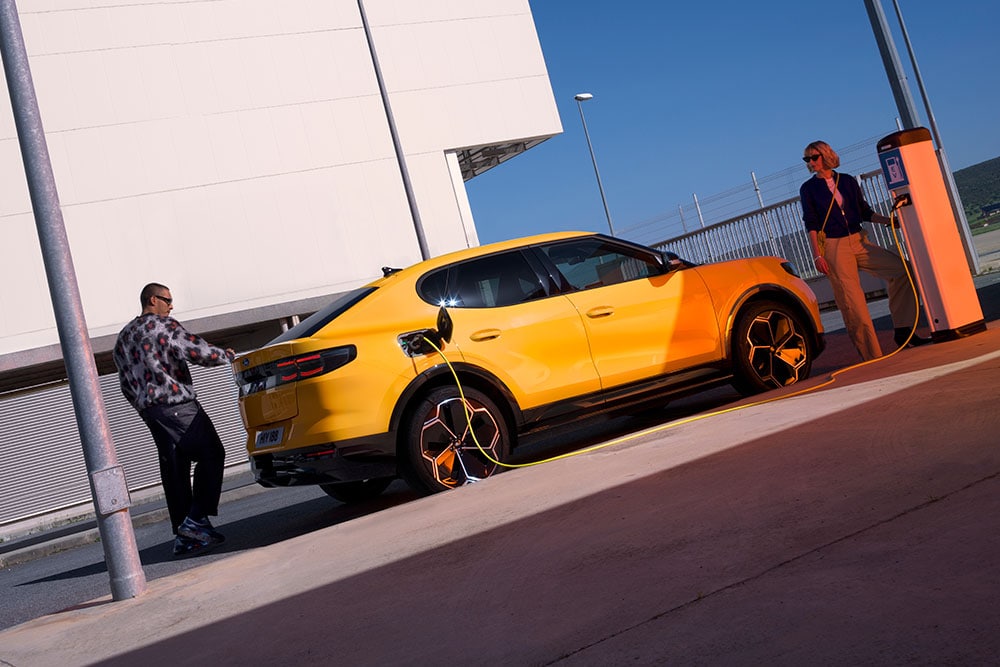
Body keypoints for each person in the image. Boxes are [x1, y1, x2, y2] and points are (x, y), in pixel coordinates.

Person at [113, 283, 235, 557]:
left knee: (175, 468)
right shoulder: (162, 326)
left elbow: (124, 384)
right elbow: (196, 351)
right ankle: (196, 519)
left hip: (151, 411)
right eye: (167, 300)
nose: (171, 306)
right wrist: (225, 356)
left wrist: (145, 407)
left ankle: (185, 534)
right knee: (212, 453)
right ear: (152, 299)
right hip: (176, 404)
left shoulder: (123, 337)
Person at [799, 140, 930, 361]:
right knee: (853, 302)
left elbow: (863, 211)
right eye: (807, 159)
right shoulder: (808, 189)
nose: (811, 162)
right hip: (833, 246)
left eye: (814, 157)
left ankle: (904, 331)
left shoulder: (847, 181)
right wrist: (817, 254)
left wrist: (888, 221)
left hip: (859, 239)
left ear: (826, 155)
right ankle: (872, 355)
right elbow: (811, 223)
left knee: (902, 270)